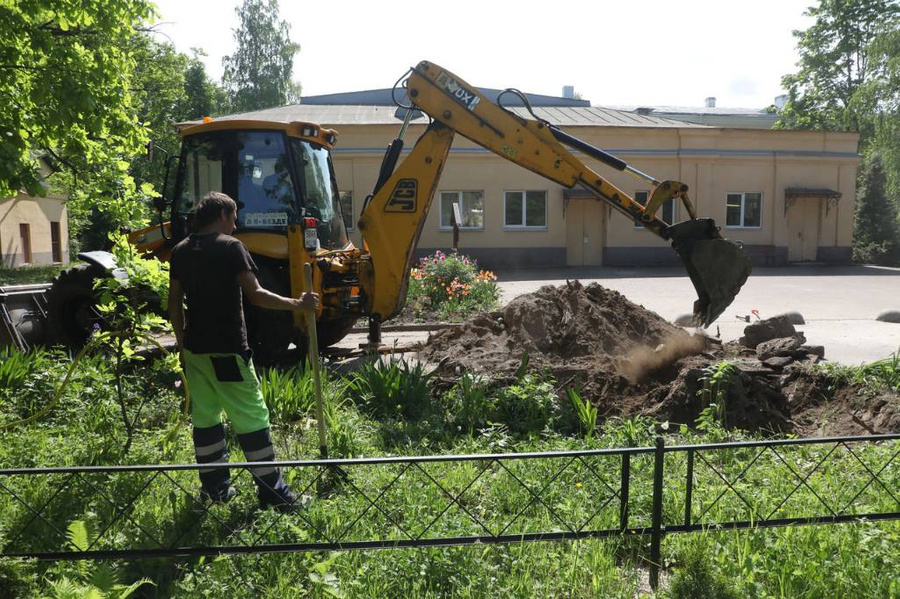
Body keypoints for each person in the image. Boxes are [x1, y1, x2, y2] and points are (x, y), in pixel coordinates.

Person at [168, 191, 319, 511]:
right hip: (228, 351)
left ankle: (215, 491)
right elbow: (256, 294)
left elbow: (174, 305)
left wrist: (182, 346)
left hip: (196, 352)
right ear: (221, 215)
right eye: (233, 217)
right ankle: (273, 495)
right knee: (252, 418)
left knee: (206, 419)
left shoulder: (180, 251)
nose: (236, 225)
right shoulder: (231, 248)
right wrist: (298, 304)